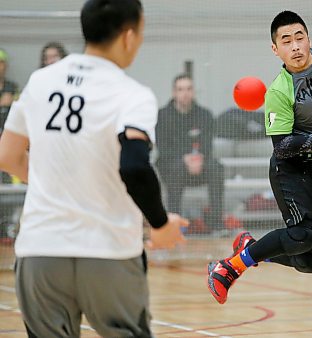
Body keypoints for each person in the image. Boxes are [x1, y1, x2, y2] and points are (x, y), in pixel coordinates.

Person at [0, 0, 189, 336]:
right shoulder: (132, 94)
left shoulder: (39, 82)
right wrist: (159, 224)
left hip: (40, 251)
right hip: (109, 251)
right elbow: (133, 166)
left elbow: (9, 157)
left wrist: (59, 182)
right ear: (129, 36)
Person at [206, 10, 312, 305]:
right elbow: (283, 147)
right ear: (275, 49)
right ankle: (228, 268)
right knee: (304, 235)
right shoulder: (279, 91)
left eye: (299, 38)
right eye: (286, 41)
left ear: (308, 39)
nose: (295, 46)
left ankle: (251, 248)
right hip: (291, 168)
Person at [156, 74, 225, 234]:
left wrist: (198, 158)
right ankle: (175, 225)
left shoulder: (205, 115)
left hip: (200, 164)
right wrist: (184, 159)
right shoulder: (162, 115)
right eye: (180, 89)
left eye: (188, 89)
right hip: (172, 166)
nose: (185, 93)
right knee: (175, 168)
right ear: (174, 92)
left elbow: (207, 144)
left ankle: (216, 225)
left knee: (216, 167)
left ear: (193, 92)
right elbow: (163, 147)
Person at [0, 48, 19, 127]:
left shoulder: (12, 87)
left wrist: (13, 101)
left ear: (6, 66)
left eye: (1, 63)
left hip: (7, 132)